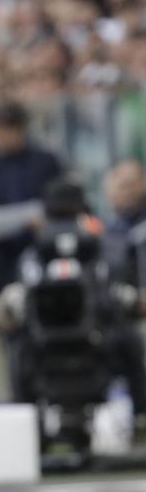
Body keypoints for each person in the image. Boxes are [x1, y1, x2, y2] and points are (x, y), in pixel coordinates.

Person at [0, 102, 62, 403]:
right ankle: (14, 399)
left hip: (43, 262)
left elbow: (60, 207)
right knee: (9, 339)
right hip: (3, 267)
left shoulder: (45, 163)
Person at [100, 160, 146, 437]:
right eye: (119, 186)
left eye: (131, 184)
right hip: (117, 317)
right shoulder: (108, 232)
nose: (125, 191)